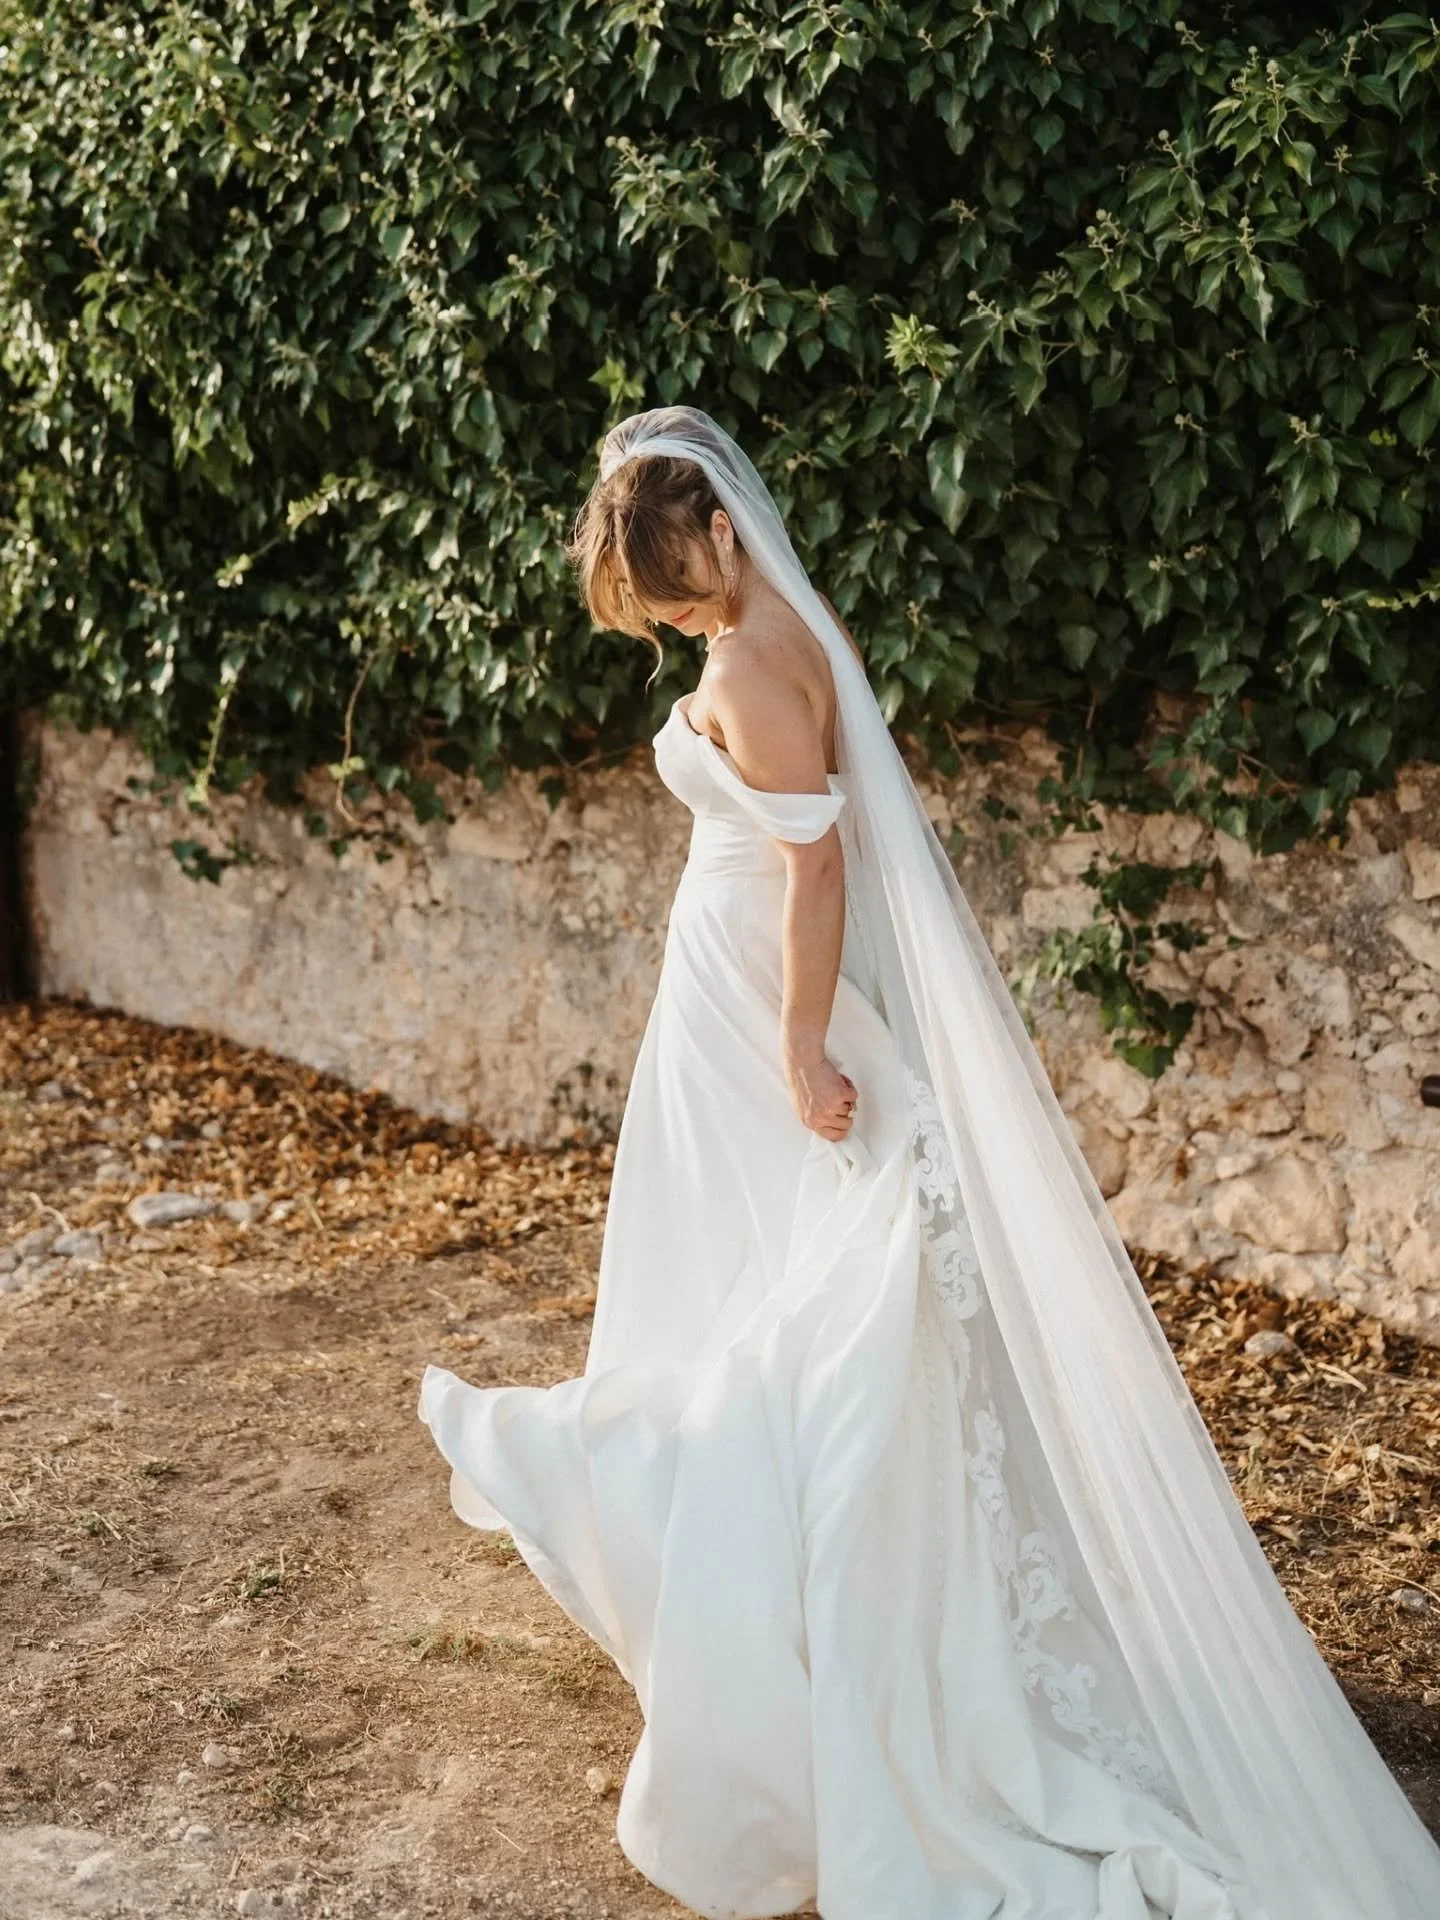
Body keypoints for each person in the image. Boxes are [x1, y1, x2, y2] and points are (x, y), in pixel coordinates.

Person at [420, 406, 1440, 1920]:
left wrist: (799, 1043)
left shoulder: (752, 664)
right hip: (729, 990)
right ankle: (733, 1568)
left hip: (760, 1006)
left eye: (680, 596)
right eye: (660, 614)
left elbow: (815, 861)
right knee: (748, 1261)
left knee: (798, 1282)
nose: (678, 625)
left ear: (722, 532)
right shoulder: (780, 630)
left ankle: (750, 1572)